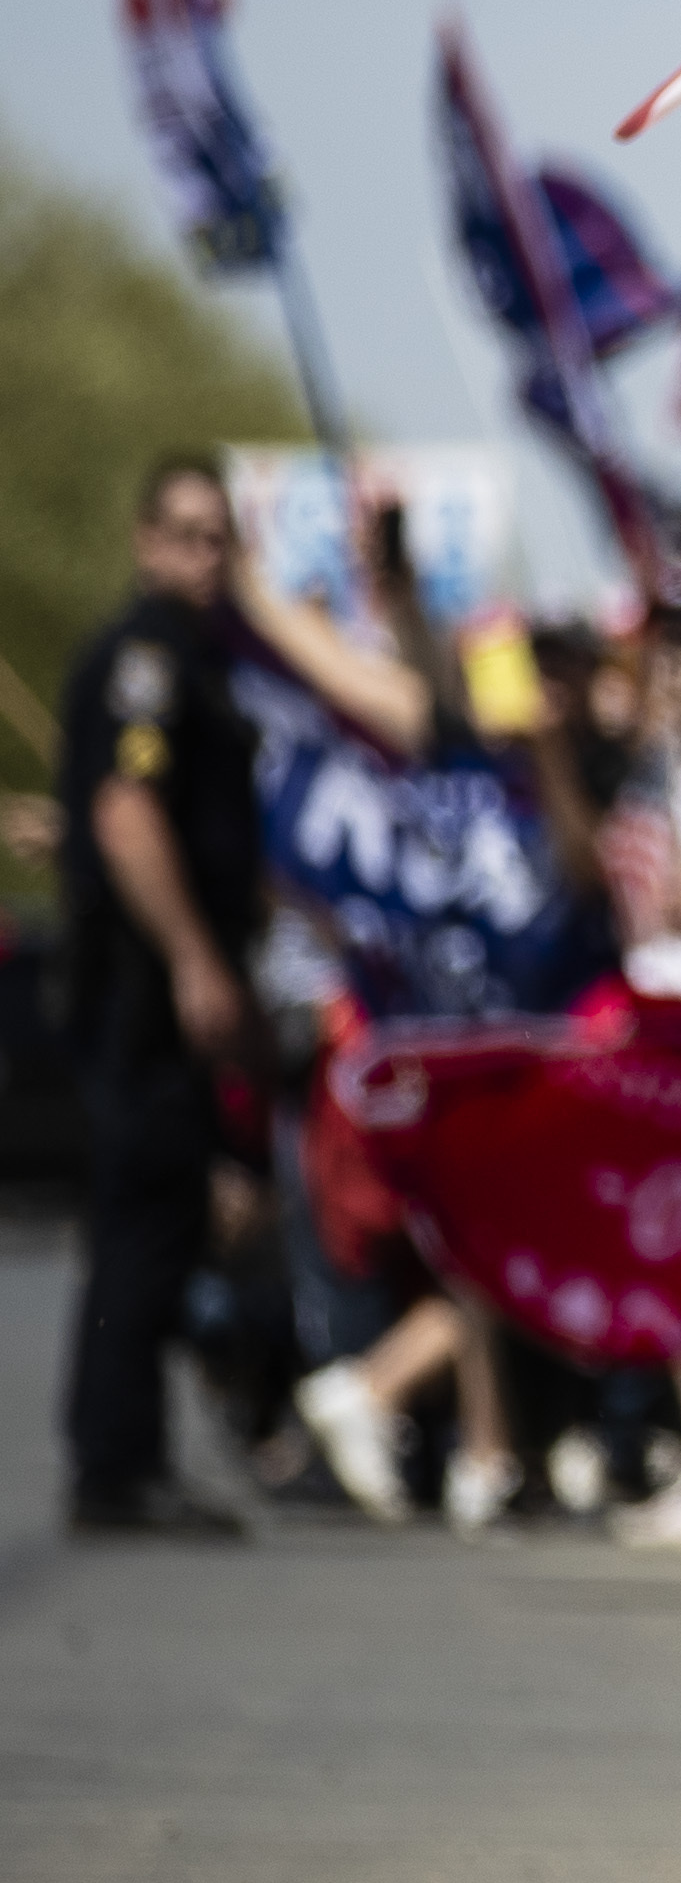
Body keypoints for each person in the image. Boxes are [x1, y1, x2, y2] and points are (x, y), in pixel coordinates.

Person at [57, 457, 270, 1539]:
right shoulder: (150, 660)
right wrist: (195, 957)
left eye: (219, 535)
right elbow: (128, 815)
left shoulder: (200, 658)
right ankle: (114, 1461)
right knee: (143, 1215)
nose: (204, 555)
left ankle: (123, 1452)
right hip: (143, 993)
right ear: (145, 541)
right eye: (185, 534)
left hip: (158, 986)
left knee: (162, 1215)